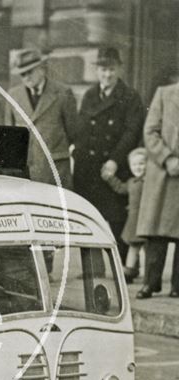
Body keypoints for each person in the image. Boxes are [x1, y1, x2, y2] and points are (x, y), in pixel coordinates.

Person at [73, 47, 144, 263]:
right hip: (89, 167)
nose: (107, 75)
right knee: (90, 217)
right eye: (103, 70)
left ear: (119, 69)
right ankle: (93, 268)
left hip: (115, 168)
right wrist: (76, 154)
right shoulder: (90, 95)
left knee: (117, 218)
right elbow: (82, 129)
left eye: (112, 69)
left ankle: (123, 267)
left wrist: (114, 160)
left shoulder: (130, 97)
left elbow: (132, 132)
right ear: (96, 70)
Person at [4, 49, 77, 189]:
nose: (26, 77)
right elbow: (10, 137)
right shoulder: (13, 95)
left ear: (42, 69)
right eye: (22, 74)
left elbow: (73, 132)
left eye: (29, 71)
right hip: (25, 172)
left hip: (55, 172)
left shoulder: (63, 93)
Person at [135, 80, 179, 299]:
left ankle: (178, 286)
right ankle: (150, 283)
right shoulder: (164, 94)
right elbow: (150, 131)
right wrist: (167, 158)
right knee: (156, 233)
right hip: (163, 175)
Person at [100, 147, 147, 283]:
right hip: (134, 220)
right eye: (134, 164)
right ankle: (129, 271)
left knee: (149, 248)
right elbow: (120, 188)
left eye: (141, 164)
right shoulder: (131, 183)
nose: (137, 167)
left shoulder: (150, 182)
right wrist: (110, 178)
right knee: (133, 246)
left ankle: (148, 274)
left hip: (147, 219)